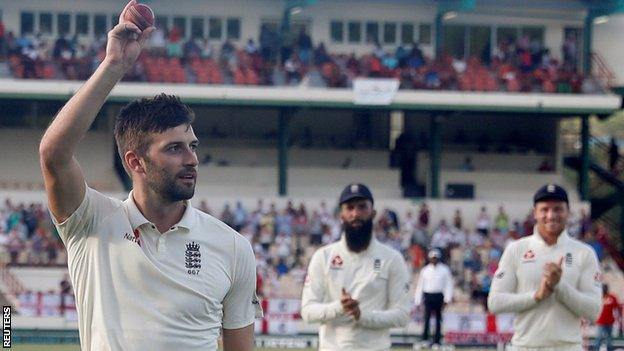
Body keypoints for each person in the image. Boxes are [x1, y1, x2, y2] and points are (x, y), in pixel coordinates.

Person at [38, 2, 261, 350]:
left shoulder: (233, 247)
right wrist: (114, 65)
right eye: (174, 149)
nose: (192, 159)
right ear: (135, 162)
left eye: (193, 146)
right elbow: (54, 154)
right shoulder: (91, 222)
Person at [488, 184, 602, 351]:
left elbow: (594, 310)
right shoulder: (516, 249)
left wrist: (558, 286)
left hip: (568, 347)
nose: (551, 215)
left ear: (568, 212)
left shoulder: (584, 253)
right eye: (545, 209)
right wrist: (536, 296)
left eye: (558, 209)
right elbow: (495, 303)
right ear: (535, 212)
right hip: (525, 346)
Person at [300, 183, 411, 351]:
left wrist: (362, 316)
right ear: (341, 215)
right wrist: (339, 307)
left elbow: (402, 315)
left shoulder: (392, 259)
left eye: (362, 207)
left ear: (373, 213)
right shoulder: (323, 257)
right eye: (350, 208)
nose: (355, 214)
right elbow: (307, 311)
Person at [413, 249, 454, 346]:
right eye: (432, 258)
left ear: (438, 258)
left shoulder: (444, 269)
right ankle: (425, 339)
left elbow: (448, 285)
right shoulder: (425, 270)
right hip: (428, 295)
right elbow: (420, 285)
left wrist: (447, 299)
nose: (434, 260)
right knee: (426, 318)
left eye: (435, 258)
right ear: (430, 259)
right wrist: (417, 300)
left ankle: (437, 340)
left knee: (438, 319)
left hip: (439, 296)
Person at [595, 284, 621, 351]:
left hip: (610, 322)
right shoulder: (598, 296)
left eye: (605, 288)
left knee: (609, 340)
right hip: (600, 322)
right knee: (598, 338)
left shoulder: (612, 297)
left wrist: (618, 319)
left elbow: (617, 308)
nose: (604, 290)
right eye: (603, 288)